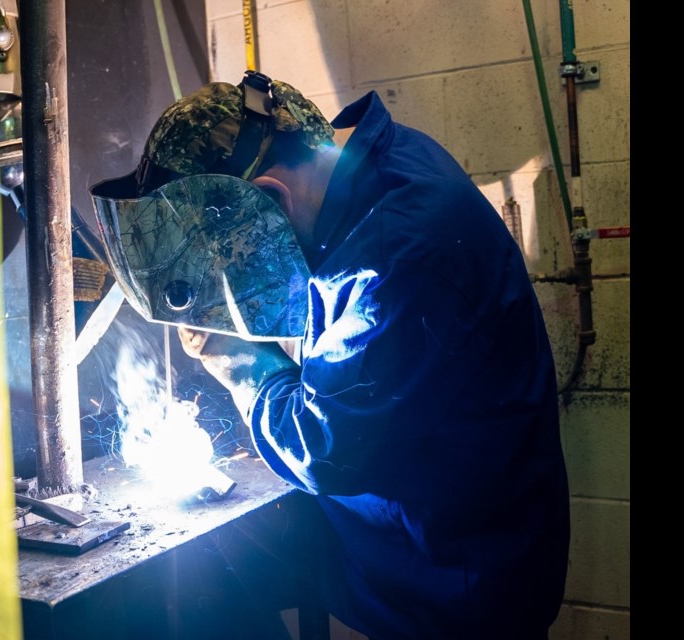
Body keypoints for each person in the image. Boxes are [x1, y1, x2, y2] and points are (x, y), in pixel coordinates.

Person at [89, 71, 570, 640]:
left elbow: (326, 450)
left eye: (232, 259)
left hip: (455, 582)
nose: (237, 277)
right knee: (211, 573)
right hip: (424, 534)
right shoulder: (372, 169)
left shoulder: (396, 263)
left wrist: (244, 363)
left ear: (269, 198)